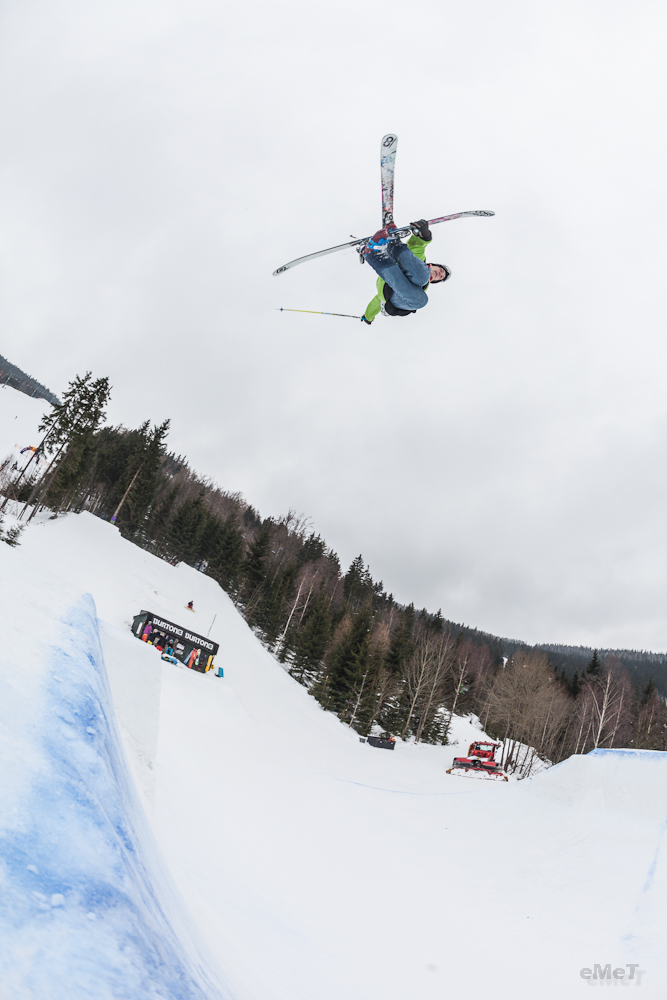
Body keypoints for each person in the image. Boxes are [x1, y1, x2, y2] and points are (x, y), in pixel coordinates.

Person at [360, 219, 451, 324]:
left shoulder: (423, 287)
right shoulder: (419, 260)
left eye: (440, 277)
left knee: (421, 299)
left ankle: (375, 256)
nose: (439, 274)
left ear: (434, 281)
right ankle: (393, 244)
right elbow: (418, 246)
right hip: (398, 268)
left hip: (390, 293)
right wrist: (424, 236)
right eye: (440, 270)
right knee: (422, 276)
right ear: (432, 265)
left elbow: (377, 300)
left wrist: (368, 316)